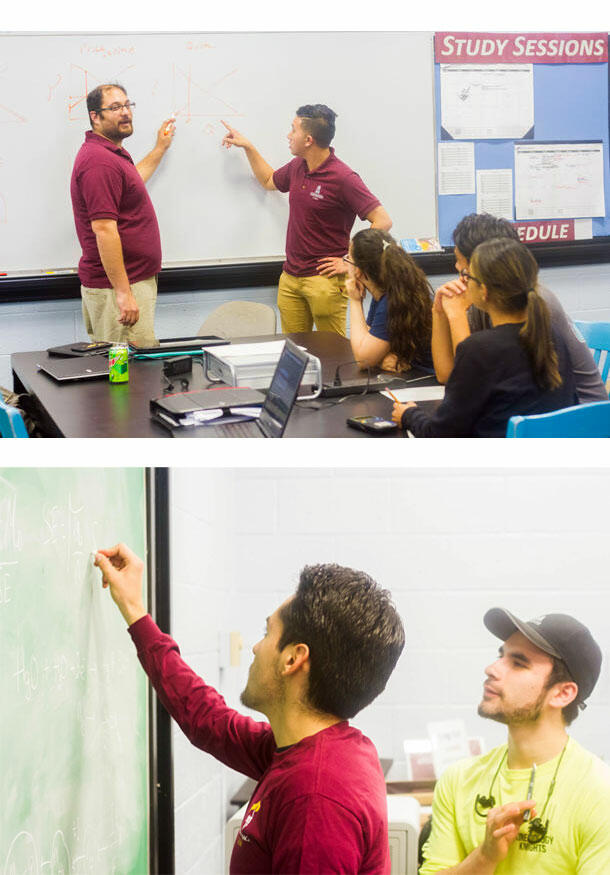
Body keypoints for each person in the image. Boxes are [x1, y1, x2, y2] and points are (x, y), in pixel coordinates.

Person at [94, 543, 405, 874]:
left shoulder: (314, 800)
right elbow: (207, 719)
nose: (255, 648)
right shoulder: (323, 750)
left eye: (267, 632)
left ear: (293, 659)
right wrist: (136, 613)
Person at [420, 608, 610, 874]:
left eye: (518, 663)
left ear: (562, 693)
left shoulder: (600, 793)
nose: (492, 669)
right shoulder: (458, 780)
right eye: (501, 656)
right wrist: (485, 858)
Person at [221, 105, 392, 336]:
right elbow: (269, 180)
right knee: (294, 351)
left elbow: (382, 221)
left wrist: (351, 262)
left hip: (325, 282)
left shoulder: (343, 177)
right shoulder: (297, 166)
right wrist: (248, 147)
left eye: (293, 130)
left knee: (332, 354)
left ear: (309, 139)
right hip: (291, 278)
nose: (288, 135)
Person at [391, 237, 577, 437]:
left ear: (484, 291)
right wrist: (438, 313)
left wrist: (409, 414)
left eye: (467, 276)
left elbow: (440, 435)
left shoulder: (480, 349)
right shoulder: (551, 335)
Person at [431, 213, 607, 402]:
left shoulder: (533, 303)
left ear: (483, 262)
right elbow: (447, 376)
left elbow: (470, 385)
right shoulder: (484, 300)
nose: (457, 267)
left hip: (577, 417)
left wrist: (457, 315)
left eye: (459, 260)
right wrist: (439, 312)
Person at [70, 83, 175, 346]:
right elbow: (104, 229)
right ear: (95, 116)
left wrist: (159, 148)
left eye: (127, 105)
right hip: (118, 289)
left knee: (133, 376)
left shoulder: (110, 154)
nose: (125, 112)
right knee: (128, 378)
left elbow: (133, 181)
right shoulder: (99, 162)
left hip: (129, 283)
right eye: (115, 108)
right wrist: (124, 293)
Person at [345, 228, 434, 373]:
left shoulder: (390, 300)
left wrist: (355, 301)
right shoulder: (389, 288)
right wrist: (380, 358)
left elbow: (363, 359)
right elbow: (369, 337)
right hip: (414, 374)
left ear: (358, 270)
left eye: (348, 258)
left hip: (429, 382)